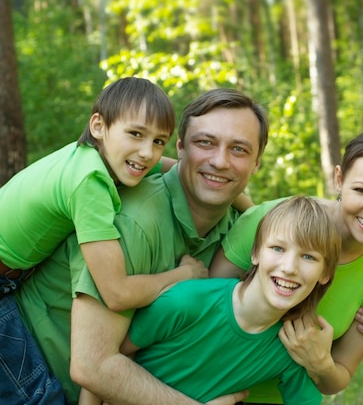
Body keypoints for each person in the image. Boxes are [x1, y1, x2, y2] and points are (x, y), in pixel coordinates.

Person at [14, 87, 270, 405]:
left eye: (239, 150)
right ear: (180, 148)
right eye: (205, 143)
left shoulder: (237, 228)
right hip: (29, 376)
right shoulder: (134, 220)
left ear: (257, 163)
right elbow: (93, 366)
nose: (219, 161)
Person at [0, 77, 206, 404]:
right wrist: (184, 275)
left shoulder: (89, 157)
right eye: (136, 134)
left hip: (10, 277)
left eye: (158, 141)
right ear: (99, 125)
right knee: (38, 397)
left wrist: (244, 203)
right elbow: (117, 293)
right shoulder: (89, 182)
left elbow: (174, 167)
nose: (147, 153)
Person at [210, 128, 363, 403]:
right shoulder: (267, 221)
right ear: (339, 180)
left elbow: (337, 377)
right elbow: (204, 307)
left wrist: (320, 363)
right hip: (209, 388)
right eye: (362, 190)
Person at [79, 196, 341, 405]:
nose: (289, 267)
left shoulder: (293, 347)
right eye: (278, 248)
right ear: (255, 254)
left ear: (325, 274)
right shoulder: (186, 302)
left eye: (309, 257)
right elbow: (104, 369)